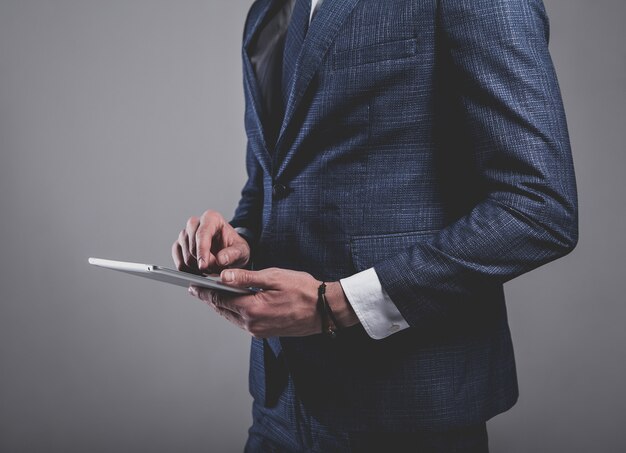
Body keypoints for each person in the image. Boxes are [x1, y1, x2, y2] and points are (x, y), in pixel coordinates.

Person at [172, 0, 578, 451]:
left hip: (408, 406)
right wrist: (239, 239)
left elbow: (538, 207)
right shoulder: (267, 13)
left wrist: (336, 304)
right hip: (280, 405)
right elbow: (272, 181)